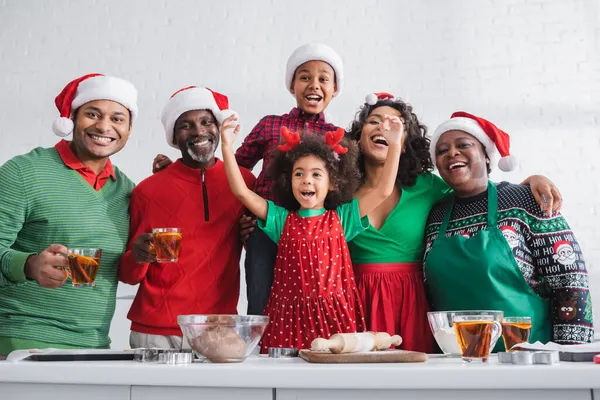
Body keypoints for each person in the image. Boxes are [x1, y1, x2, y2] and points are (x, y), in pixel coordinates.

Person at [346, 94, 565, 352]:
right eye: (374, 121)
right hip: (355, 301)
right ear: (358, 137)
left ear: (404, 143)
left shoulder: (427, 187)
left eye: (395, 124)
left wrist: (529, 182)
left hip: (412, 303)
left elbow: (473, 188)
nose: (384, 127)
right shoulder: (338, 190)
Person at [153, 43, 344, 316]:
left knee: (312, 304)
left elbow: (342, 191)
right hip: (264, 231)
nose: (314, 85)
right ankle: (263, 354)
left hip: (313, 237)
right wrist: (178, 172)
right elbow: (228, 171)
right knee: (261, 305)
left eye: (323, 79)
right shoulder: (270, 125)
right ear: (292, 86)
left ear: (334, 89)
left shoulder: (338, 135)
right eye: (305, 77)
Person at [220, 103, 404, 351]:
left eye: (317, 174)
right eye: (299, 174)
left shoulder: (343, 218)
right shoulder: (280, 220)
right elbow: (241, 192)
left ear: (333, 183)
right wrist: (227, 145)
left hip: (335, 316)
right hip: (287, 319)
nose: (307, 179)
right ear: (288, 181)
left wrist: (395, 144)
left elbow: (383, 190)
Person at [423, 111, 594, 347]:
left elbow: (569, 281)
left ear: (485, 155)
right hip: (457, 360)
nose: (452, 152)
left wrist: (569, 356)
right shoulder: (435, 215)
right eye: (442, 150)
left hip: (527, 358)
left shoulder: (525, 200)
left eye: (463, 144)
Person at [0, 73, 138, 356]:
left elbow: (126, 268)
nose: (104, 126)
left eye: (117, 118)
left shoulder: (126, 191)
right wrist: (29, 265)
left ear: (129, 129)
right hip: (19, 346)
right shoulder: (23, 173)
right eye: (92, 114)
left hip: (95, 348)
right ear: (72, 118)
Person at [119, 86, 255, 349]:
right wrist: (137, 256)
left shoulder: (244, 182)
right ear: (174, 136)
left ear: (219, 127)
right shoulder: (147, 191)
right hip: (155, 332)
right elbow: (129, 275)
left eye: (206, 122)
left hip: (219, 329)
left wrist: (252, 234)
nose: (199, 131)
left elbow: (260, 248)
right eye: (186, 125)